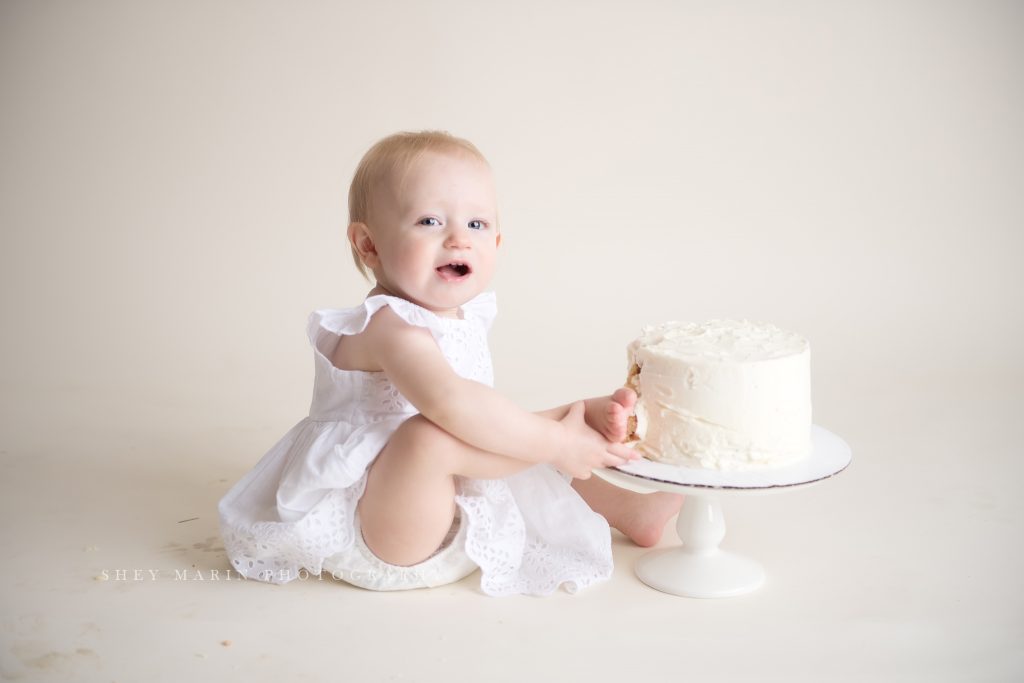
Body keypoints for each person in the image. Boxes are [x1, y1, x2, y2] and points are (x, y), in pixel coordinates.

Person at [218, 131, 682, 596]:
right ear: (369, 245)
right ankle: (563, 441)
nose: (459, 239)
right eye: (429, 221)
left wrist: (572, 415)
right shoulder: (388, 327)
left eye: (477, 225)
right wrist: (554, 440)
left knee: (515, 426)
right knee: (444, 433)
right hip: (382, 533)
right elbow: (450, 404)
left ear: (498, 243)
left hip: (458, 513)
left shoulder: (458, 317)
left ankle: (629, 510)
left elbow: (480, 424)